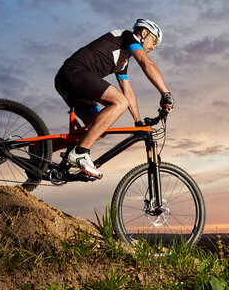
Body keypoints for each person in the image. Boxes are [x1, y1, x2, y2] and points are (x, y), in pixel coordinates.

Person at [54, 19, 174, 179]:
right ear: (144, 33)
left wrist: (137, 121)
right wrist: (165, 93)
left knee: (97, 128)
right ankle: (81, 153)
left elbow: (128, 90)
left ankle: (41, 150)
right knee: (119, 102)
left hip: (66, 79)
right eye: (154, 41)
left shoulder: (122, 60)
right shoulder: (128, 36)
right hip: (75, 72)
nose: (153, 47)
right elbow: (146, 64)